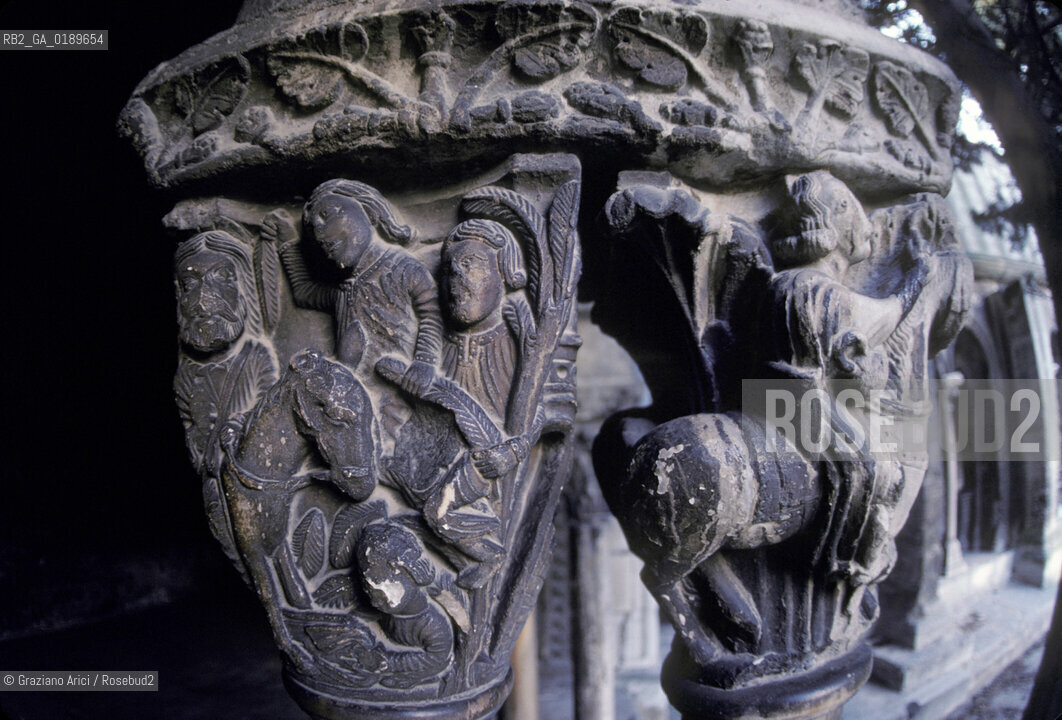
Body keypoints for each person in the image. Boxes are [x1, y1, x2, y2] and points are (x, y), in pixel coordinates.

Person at [264, 180, 443, 443]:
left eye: (327, 214)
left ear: (368, 210)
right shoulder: (343, 288)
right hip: (353, 401)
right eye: (313, 229)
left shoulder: (401, 267)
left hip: (395, 397)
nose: (319, 233)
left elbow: (432, 311)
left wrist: (425, 362)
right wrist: (288, 243)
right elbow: (304, 293)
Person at [173, 230, 277, 573]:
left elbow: (269, 419)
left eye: (221, 279)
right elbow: (190, 423)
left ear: (243, 288)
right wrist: (199, 441)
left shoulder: (256, 357)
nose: (203, 300)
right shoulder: (188, 373)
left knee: (269, 556)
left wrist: (235, 430)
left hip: (258, 491)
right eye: (190, 285)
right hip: (215, 491)